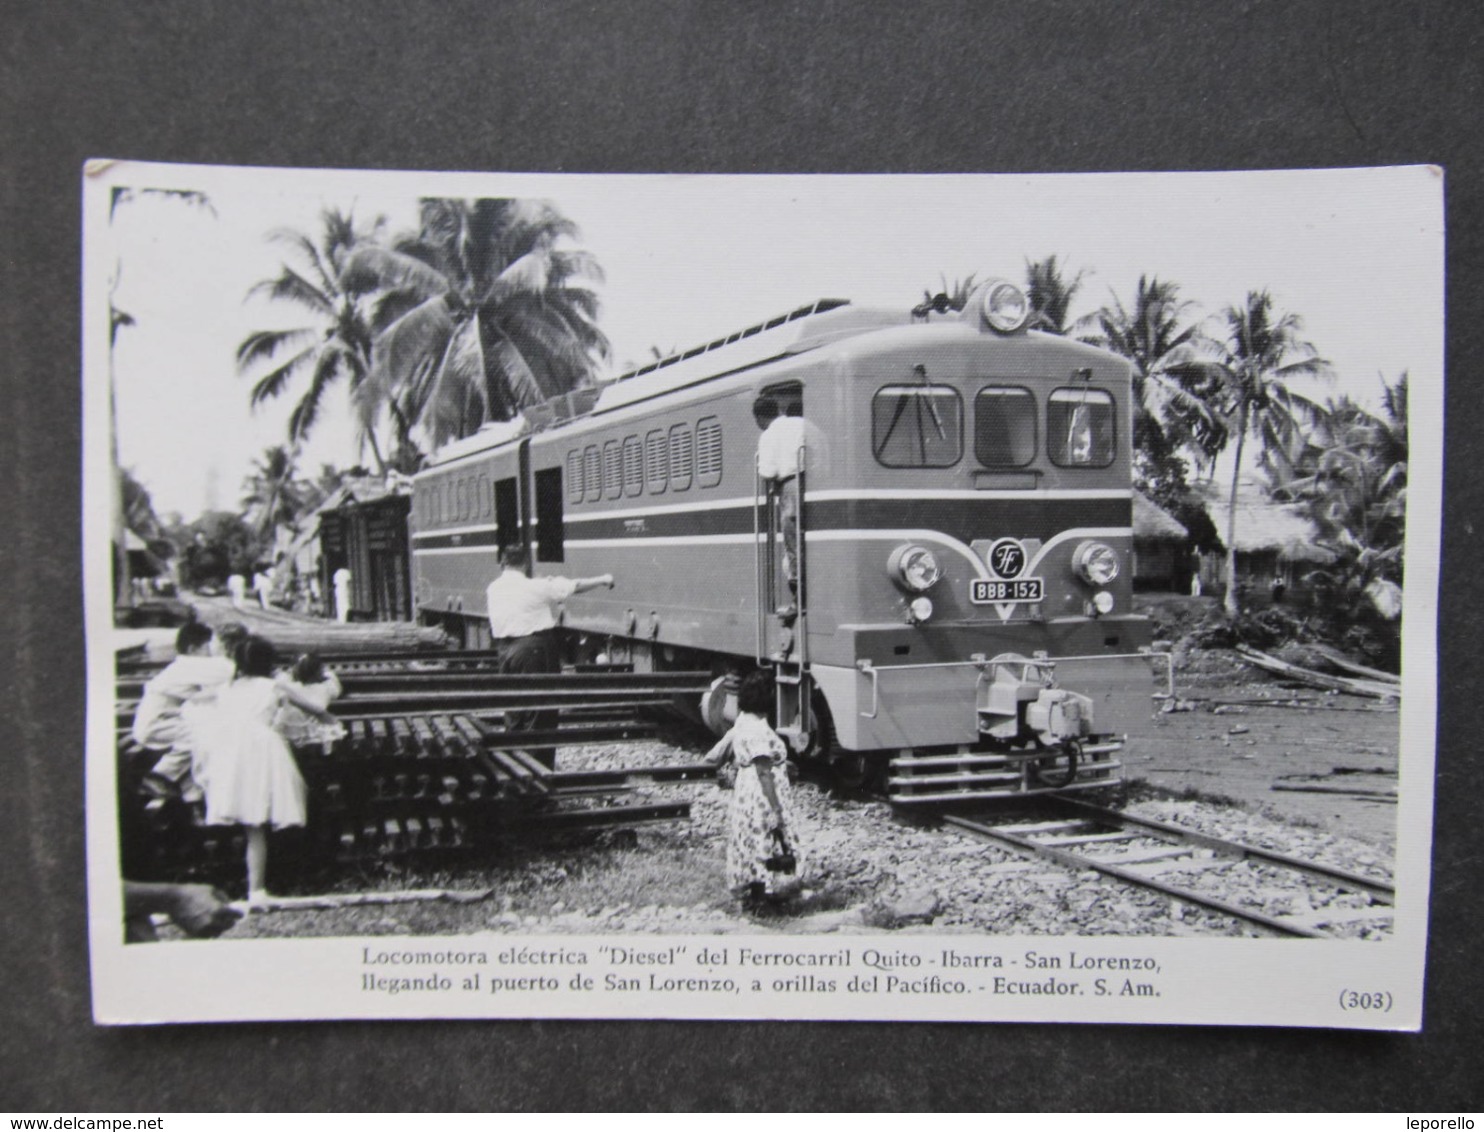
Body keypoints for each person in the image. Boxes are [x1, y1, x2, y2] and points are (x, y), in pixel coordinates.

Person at [185, 635, 336, 905]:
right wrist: (333, 724)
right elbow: (316, 709)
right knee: (259, 819)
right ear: (268, 662)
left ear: (237, 662)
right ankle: (258, 889)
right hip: (263, 749)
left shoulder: (227, 688)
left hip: (231, 749)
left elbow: (195, 700)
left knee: (251, 821)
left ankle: (254, 887)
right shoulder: (274, 686)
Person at [485, 545, 614, 738]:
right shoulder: (535, 587)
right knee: (540, 714)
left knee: (514, 711)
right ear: (526, 563)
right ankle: (537, 764)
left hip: (505, 652)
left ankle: (515, 755)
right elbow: (574, 586)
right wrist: (603, 579)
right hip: (534, 651)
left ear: (503, 563)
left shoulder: (493, 589)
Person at [703, 670, 806, 904]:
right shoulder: (759, 729)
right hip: (763, 793)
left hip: (746, 792)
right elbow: (763, 771)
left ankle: (755, 892)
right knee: (772, 835)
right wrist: (776, 808)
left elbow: (715, 754)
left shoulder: (742, 722)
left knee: (751, 838)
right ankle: (769, 895)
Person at [130, 621, 235, 800]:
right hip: (157, 724)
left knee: (206, 736)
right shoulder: (190, 665)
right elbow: (232, 670)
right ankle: (159, 775)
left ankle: (192, 797)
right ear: (193, 649)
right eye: (207, 648)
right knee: (207, 735)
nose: (210, 654)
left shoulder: (185, 666)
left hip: (163, 721)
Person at [274, 652, 347, 752]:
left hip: (289, 732)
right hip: (316, 733)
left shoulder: (290, 687)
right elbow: (333, 682)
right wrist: (326, 674)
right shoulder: (326, 688)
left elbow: (280, 679)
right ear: (319, 672)